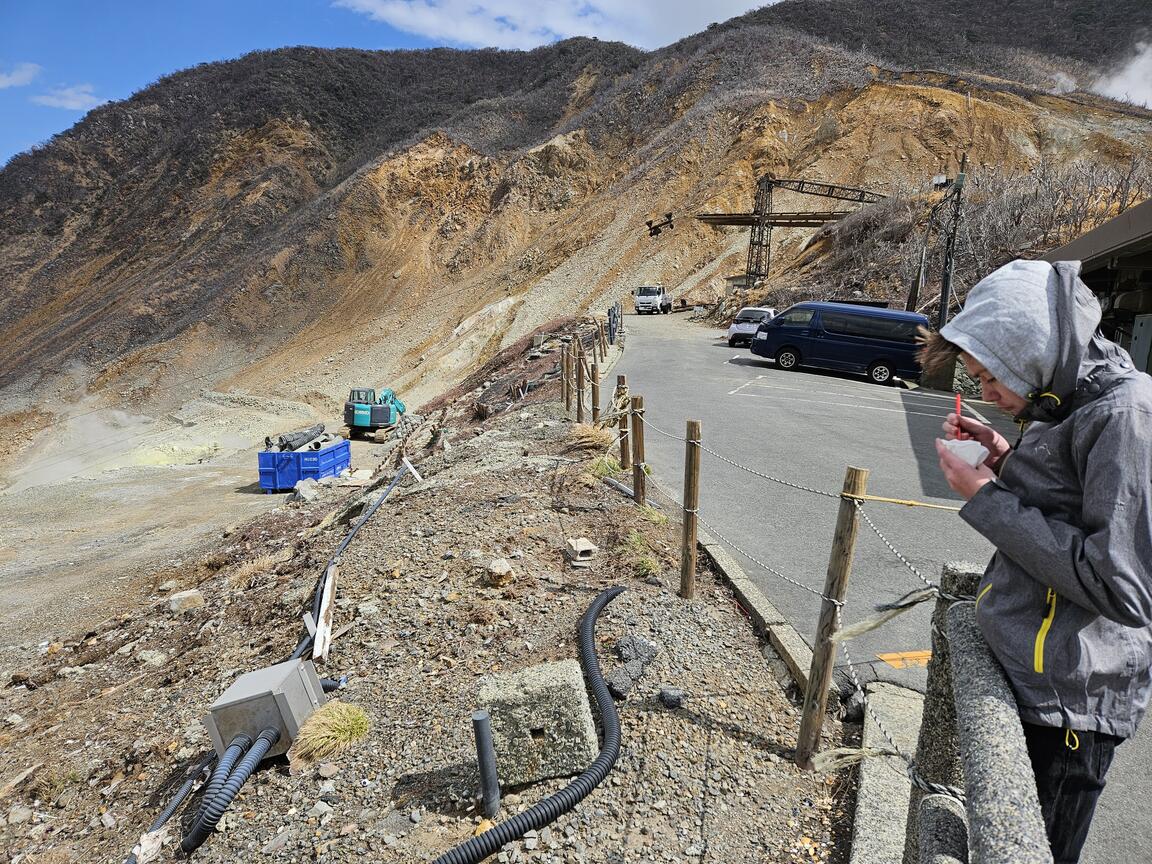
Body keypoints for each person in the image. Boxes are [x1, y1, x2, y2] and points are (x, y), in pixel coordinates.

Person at [918, 258, 1152, 864]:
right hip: (1039, 680)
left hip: (1069, 710)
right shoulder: (1070, 397)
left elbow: (1120, 585)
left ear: (1033, 354)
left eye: (990, 378)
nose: (986, 395)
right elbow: (1066, 502)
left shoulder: (1124, 416)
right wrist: (1001, 457)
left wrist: (986, 499)